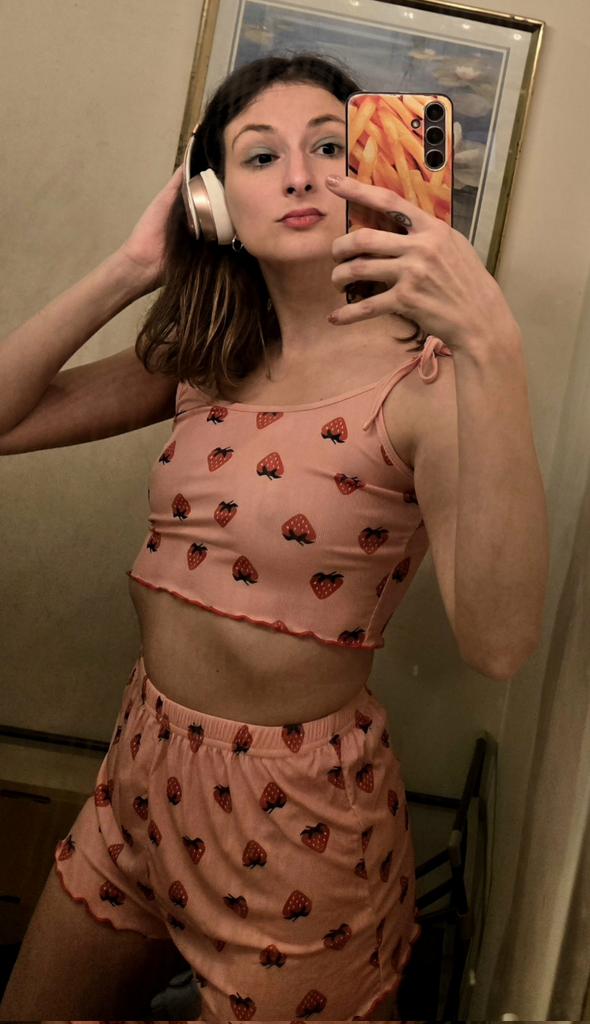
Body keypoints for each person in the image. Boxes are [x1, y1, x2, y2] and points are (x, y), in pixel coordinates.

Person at [0, 50, 548, 1023]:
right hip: (139, 778)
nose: (299, 174)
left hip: (297, 827)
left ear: (370, 173)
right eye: (260, 155)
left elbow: (499, 644)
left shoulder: (423, 382)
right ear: (211, 200)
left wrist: (489, 347)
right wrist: (134, 265)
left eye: (330, 147)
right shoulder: (208, 353)